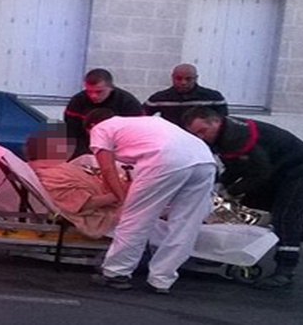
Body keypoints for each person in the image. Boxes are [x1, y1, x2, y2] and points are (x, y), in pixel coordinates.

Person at [182, 107, 303, 290]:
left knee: (285, 215)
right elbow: (236, 166)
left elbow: (259, 172)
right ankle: (237, 256)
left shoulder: (237, 136)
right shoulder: (222, 135)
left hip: (299, 167)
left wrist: (230, 191)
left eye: (202, 131)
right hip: (274, 166)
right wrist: (221, 184)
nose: (200, 137)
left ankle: (285, 270)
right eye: (195, 134)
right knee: (249, 210)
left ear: (215, 122)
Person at [85, 109, 216, 294]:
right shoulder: (144, 123)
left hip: (166, 159)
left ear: (91, 127)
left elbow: (107, 170)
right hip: (204, 159)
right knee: (186, 223)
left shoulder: (100, 128)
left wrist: (122, 199)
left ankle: (117, 272)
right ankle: (161, 279)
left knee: (136, 218)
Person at [25, 132, 120, 239]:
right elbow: (84, 204)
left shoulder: (56, 168)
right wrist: (119, 194)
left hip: (109, 208)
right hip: (101, 217)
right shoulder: (50, 175)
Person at [64, 69, 143, 157]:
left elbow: (136, 134)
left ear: (111, 88)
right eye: (89, 91)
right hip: (85, 148)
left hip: (119, 150)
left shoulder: (128, 103)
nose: (93, 96)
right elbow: (72, 133)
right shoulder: (77, 101)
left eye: (99, 92)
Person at [144, 64, 228, 126]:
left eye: (188, 79)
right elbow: (140, 117)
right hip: (172, 139)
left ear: (196, 78)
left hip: (201, 141)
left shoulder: (213, 98)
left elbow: (223, 123)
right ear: (172, 77)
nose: (183, 82)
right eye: (179, 78)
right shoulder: (159, 98)